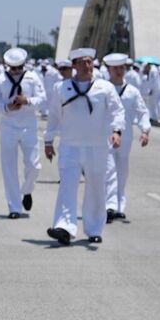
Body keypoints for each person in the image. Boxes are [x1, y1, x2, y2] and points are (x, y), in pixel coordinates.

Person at [43, 49, 123, 245]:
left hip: (97, 146)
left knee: (96, 188)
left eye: (89, 62)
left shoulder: (104, 87)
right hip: (70, 146)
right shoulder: (61, 88)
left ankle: (94, 228)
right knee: (67, 186)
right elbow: (53, 116)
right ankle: (64, 227)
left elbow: (117, 111)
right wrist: (48, 140)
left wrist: (117, 131)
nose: (87, 66)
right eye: (82, 62)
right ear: (74, 66)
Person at [0, 47, 45, 218]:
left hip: (29, 125)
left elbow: (42, 99)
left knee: (34, 165)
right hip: (8, 126)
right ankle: (14, 207)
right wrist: (6, 107)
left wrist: (27, 101)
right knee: (9, 168)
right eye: (12, 68)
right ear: (7, 66)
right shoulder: (0, 80)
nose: (16, 71)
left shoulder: (32, 78)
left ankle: (27, 190)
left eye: (19, 68)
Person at [101, 53, 150, 223]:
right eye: (115, 69)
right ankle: (110, 206)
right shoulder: (102, 89)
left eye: (122, 68)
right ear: (109, 70)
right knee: (109, 171)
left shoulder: (132, 91)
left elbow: (142, 111)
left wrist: (145, 131)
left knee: (122, 171)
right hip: (105, 136)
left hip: (126, 137)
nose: (119, 71)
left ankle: (120, 206)